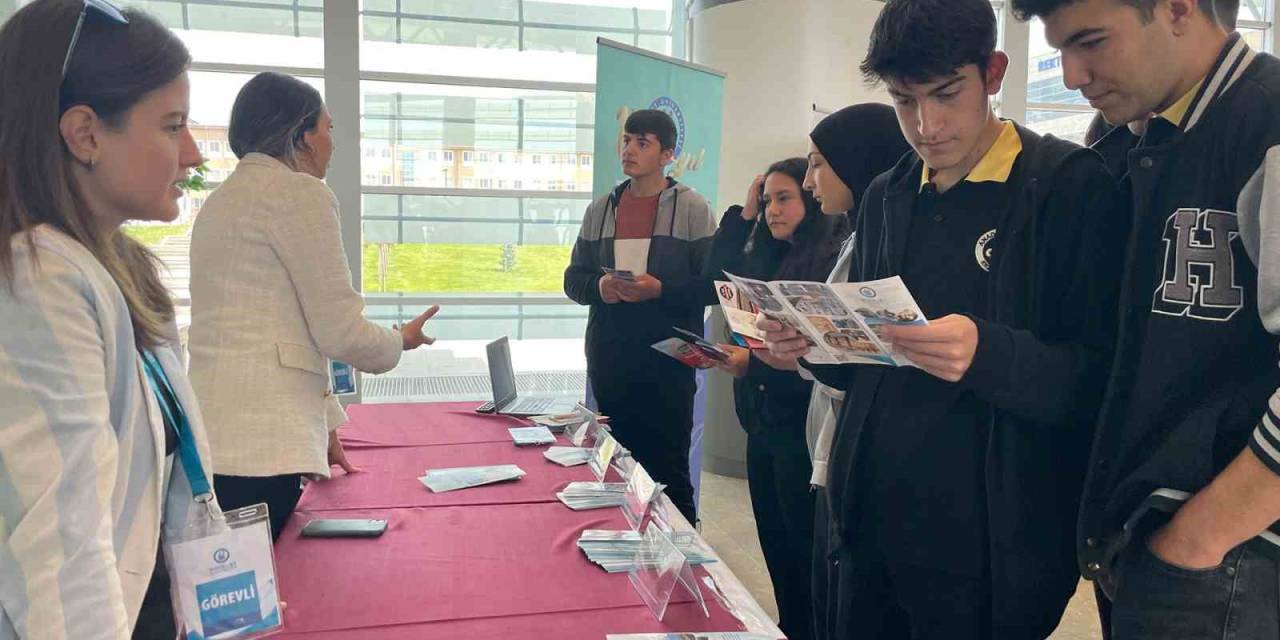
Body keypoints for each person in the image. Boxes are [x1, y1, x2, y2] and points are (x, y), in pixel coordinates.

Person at [759, 1, 1125, 637]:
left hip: (988, 548)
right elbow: (869, 366)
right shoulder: (887, 193)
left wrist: (988, 353)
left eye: (946, 94)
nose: (927, 125)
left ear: (993, 72)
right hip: (868, 524)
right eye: (905, 102)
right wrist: (812, 348)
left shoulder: (1068, 187)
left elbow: (1100, 379)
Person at [1011, 0, 1280, 637]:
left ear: (1179, 8)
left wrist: (1196, 540)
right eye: (1059, 50)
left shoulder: (1265, 124)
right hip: (1147, 541)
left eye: (1092, 42)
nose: (1073, 75)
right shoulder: (1137, 142)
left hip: (1226, 557)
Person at [0, 2, 220, 637]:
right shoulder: (38, 280)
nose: (190, 155)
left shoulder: (117, 269)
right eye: (171, 126)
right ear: (86, 134)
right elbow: (62, 549)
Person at [188, 72, 439, 540]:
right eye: (328, 128)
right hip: (262, 449)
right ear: (301, 135)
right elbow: (338, 331)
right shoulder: (298, 194)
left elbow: (277, 328)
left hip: (214, 439)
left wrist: (325, 426)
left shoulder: (221, 201)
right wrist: (398, 341)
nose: (332, 142)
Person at [702, 158, 847, 640]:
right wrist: (743, 214)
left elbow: (820, 363)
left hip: (800, 431)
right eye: (767, 201)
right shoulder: (767, 258)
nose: (771, 211)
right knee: (776, 546)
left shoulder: (829, 263)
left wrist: (756, 362)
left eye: (784, 198)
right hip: (761, 423)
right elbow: (713, 278)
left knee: (804, 550)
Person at [563, 109, 716, 522]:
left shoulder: (693, 209)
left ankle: (685, 561)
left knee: (668, 470)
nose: (629, 150)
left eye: (642, 143)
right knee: (617, 466)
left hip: (670, 358)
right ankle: (623, 555)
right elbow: (572, 280)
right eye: (627, 140)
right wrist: (601, 287)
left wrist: (660, 289)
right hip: (611, 355)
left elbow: (715, 286)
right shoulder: (600, 209)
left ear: (667, 154)